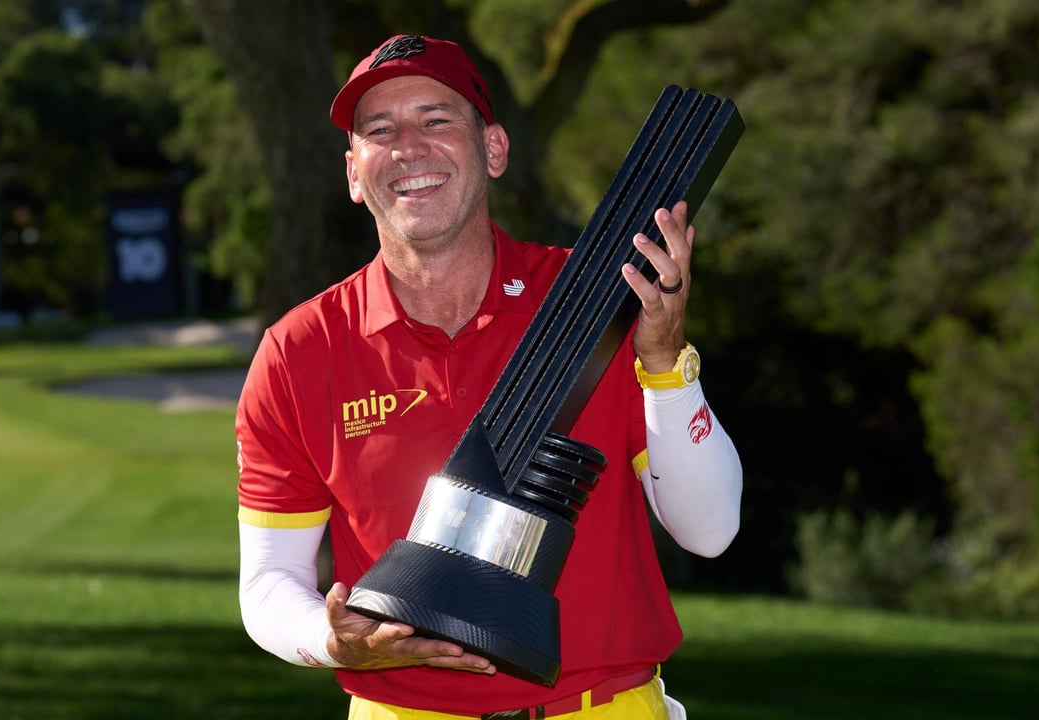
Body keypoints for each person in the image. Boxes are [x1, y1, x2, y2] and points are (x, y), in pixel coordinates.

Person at [235, 34, 742, 719]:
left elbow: (708, 529)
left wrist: (665, 360)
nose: (409, 146)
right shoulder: (300, 349)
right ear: (354, 174)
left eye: (437, 119)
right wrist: (329, 639)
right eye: (380, 130)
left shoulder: (598, 300)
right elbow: (269, 578)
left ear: (495, 150)